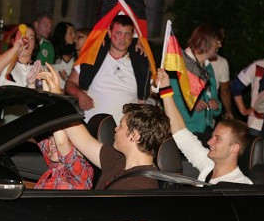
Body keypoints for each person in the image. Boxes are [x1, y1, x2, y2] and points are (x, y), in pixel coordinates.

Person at [41, 64, 169, 190]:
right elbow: (81, 137)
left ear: (134, 135)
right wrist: (56, 93)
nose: (115, 128)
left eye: (121, 126)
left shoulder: (138, 188)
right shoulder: (119, 160)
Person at [155, 68, 252, 184]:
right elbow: (180, 132)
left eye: (217, 139)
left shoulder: (242, 185)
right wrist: (166, 89)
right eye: (213, 137)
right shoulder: (208, 166)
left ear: (234, 148)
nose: (210, 142)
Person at [64, 14, 152, 125]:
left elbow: (148, 93)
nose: (122, 39)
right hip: (90, 127)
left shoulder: (140, 64)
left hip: (125, 132)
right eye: (118, 33)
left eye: (127, 34)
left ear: (132, 36)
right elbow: (70, 83)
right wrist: (80, 94)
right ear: (110, 33)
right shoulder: (92, 57)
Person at [169, 24, 224, 142]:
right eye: (217, 41)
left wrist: (216, 105)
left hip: (205, 131)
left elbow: (215, 100)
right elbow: (169, 97)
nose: (220, 45)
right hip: (182, 131)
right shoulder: (180, 63)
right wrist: (191, 103)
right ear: (205, 42)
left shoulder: (209, 67)